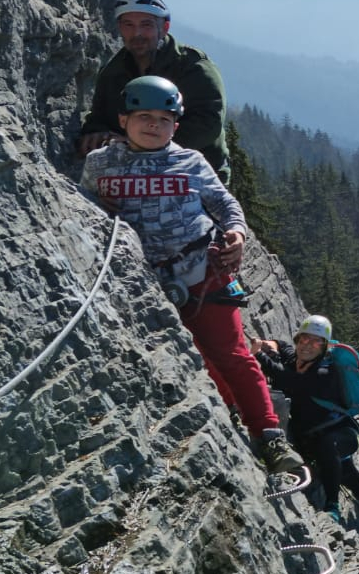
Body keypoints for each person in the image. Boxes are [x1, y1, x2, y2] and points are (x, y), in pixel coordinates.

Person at [80, 75, 301, 474]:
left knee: (232, 355)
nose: (153, 125)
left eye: (163, 119)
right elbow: (86, 211)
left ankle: (270, 435)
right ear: (123, 119)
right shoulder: (99, 165)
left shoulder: (190, 162)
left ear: (175, 126)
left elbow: (225, 204)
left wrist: (236, 232)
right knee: (194, 356)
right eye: (143, 116)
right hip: (136, 284)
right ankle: (226, 412)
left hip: (201, 275)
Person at [253, 315, 359, 541]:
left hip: (340, 434)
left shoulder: (324, 373)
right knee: (351, 477)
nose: (307, 346)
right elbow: (283, 349)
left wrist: (258, 355)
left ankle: (332, 506)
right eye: (304, 339)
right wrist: (271, 344)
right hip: (318, 436)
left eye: (315, 342)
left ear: (323, 348)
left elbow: (288, 380)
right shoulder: (299, 359)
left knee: (329, 448)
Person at [78, 0, 231, 185]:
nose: (137, 33)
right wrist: (98, 134)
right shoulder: (113, 72)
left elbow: (207, 125)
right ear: (119, 28)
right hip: (135, 178)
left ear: (164, 27)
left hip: (197, 176)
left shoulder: (193, 68)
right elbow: (100, 116)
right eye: (128, 25)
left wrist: (141, 147)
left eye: (146, 25)